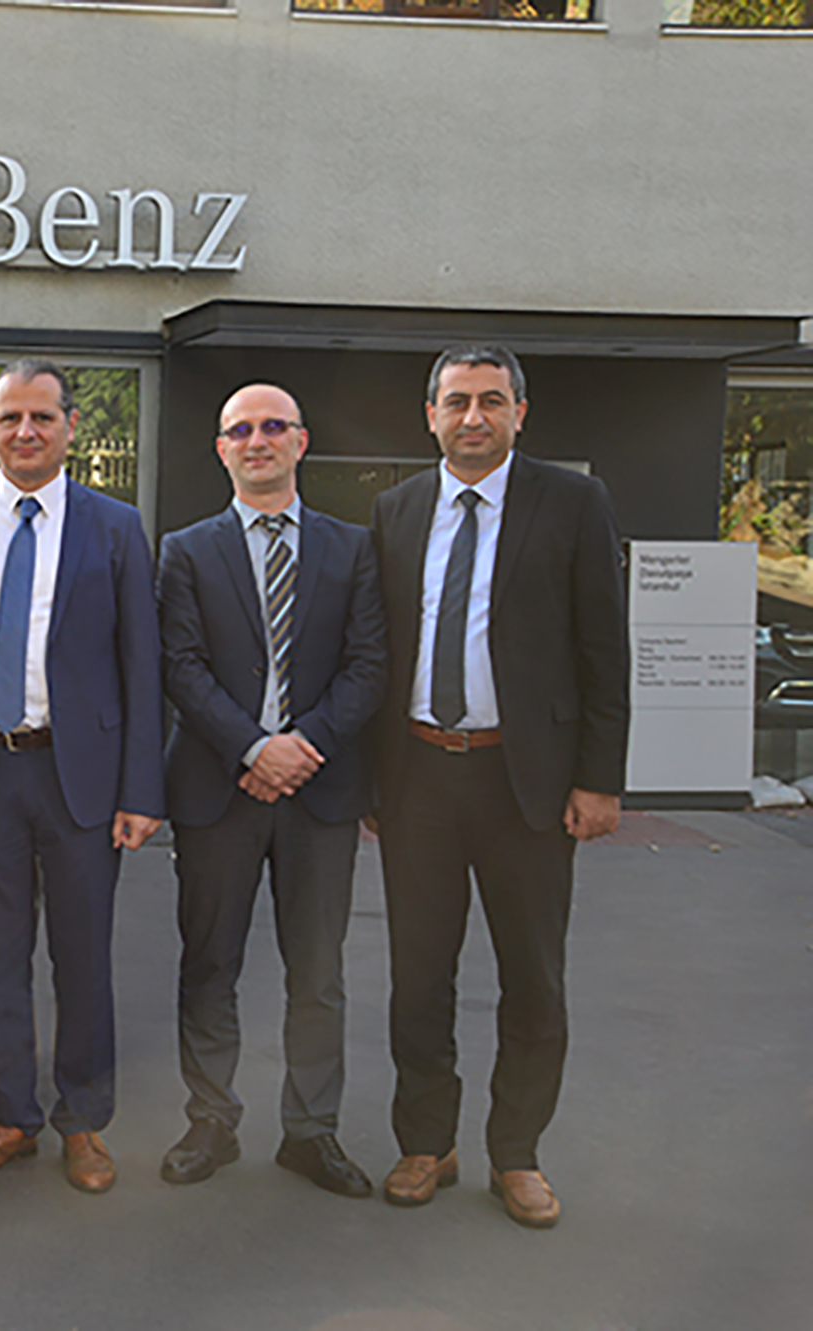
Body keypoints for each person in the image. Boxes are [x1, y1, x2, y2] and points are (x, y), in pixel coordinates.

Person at [369, 344, 628, 1228]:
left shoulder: (573, 502)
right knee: (418, 977)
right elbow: (381, 648)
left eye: (490, 400)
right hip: (418, 778)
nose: (472, 417)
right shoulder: (397, 509)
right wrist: (372, 782)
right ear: (430, 416)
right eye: (456, 401)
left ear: (521, 411)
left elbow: (604, 649)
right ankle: (425, 1142)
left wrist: (599, 779)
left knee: (534, 977)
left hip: (528, 784)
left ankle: (517, 1153)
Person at [0, 359, 165, 1194]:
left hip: (79, 775)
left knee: (82, 955)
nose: (25, 432)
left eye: (42, 418)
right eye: (9, 418)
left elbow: (142, 664)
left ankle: (83, 1120)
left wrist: (141, 791)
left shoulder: (115, 526)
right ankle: (10, 1116)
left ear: (69, 427)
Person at [156, 384, 387, 1197]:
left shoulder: (354, 549)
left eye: (272, 427)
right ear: (222, 448)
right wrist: (254, 747)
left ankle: (310, 1131)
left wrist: (301, 746)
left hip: (321, 793)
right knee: (208, 963)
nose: (257, 440)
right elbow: (181, 665)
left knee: (318, 973)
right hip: (217, 788)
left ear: (301, 440)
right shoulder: (185, 550)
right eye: (240, 429)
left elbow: (370, 664)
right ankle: (210, 1121)